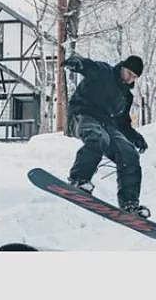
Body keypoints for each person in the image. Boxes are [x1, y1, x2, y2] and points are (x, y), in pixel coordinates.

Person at [63, 53, 150, 217]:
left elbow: (123, 123)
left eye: (134, 77)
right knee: (97, 137)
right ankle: (79, 180)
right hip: (81, 114)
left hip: (107, 124)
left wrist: (136, 138)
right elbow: (89, 66)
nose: (130, 78)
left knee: (129, 153)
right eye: (129, 73)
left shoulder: (126, 97)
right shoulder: (105, 72)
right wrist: (77, 63)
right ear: (122, 67)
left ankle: (129, 203)